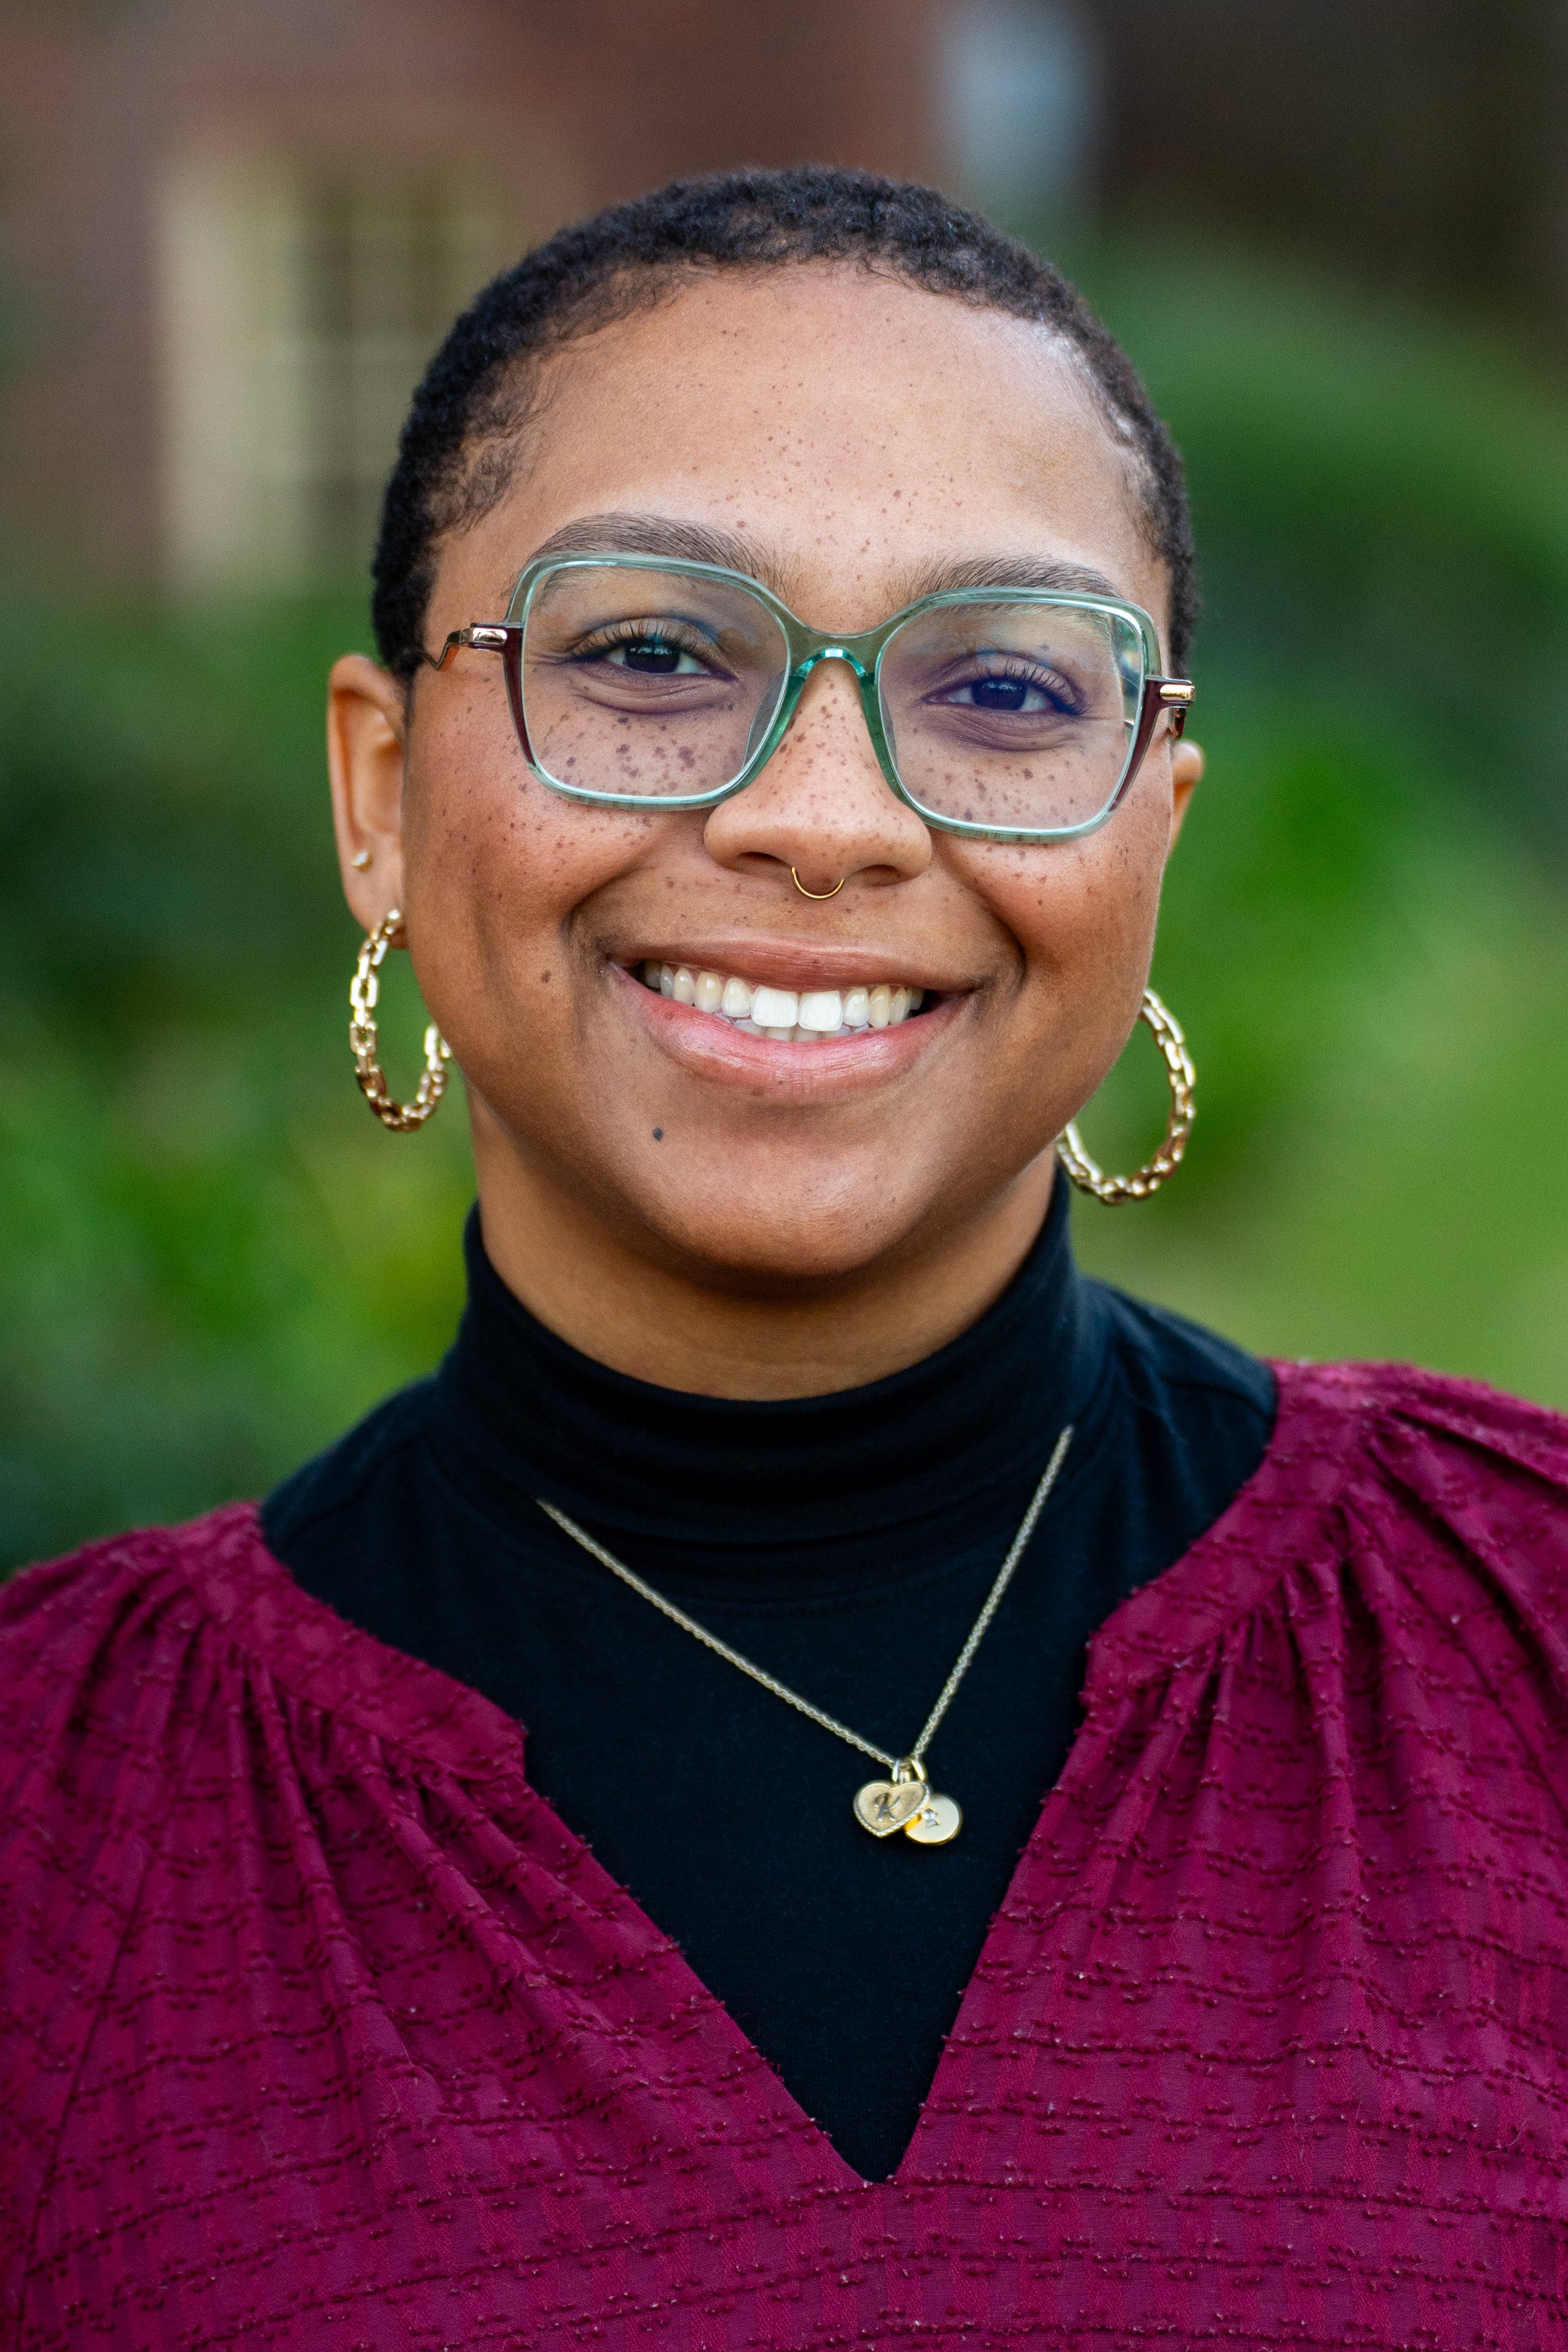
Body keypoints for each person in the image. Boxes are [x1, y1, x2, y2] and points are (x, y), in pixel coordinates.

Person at [2, 167, 1565, 2352]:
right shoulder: (53, 1834)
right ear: (379, 790)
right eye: (652, 653)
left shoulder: (1523, 1639)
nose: (825, 818)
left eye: (1004, 687)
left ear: (1152, 826)